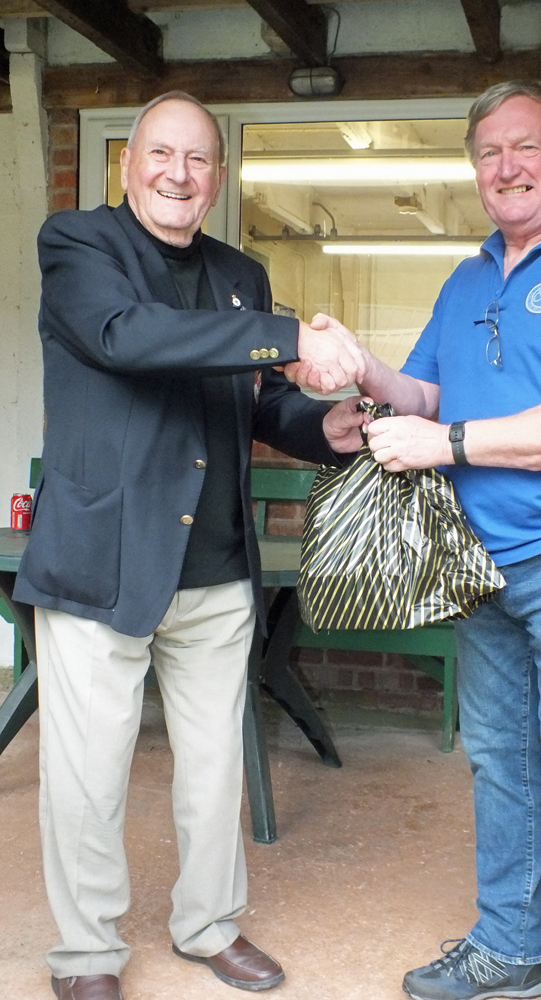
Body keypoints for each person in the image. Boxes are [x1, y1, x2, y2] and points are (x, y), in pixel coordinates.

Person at [285, 81, 541, 1000]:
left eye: (525, 147)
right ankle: (506, 946)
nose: (506, 166)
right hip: (477, 563)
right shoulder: (464, 280)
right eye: (489, 151)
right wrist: (352, 368)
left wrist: (447, 446)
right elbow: (419, 393)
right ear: (474, 170)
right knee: (498, 765)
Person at [13, 91, 366, 1000]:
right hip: (103, 559)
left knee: (213, 771)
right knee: (87, 779)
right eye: (162, 155)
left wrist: (326, 426)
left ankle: (208, 925)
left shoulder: (240, 270)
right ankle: (86, 952)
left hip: (213, 566)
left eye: (199, 159)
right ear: (127, 164)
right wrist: (290, 337)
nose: (179, 174)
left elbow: (258, 403)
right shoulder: (79, 245)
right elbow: (130, 341)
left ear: (216, 176)